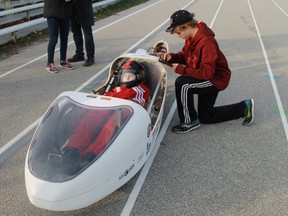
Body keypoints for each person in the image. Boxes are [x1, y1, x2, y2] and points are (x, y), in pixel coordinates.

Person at [158, 10, 255, 134]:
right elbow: (185, 55)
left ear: (186, 26)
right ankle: (244, 107)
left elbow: (207, 73)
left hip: (215, 79)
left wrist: (180, 69)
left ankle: (189, 121)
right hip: (205, 74)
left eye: (178, 32)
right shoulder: (191, 37)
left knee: (182, 84)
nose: (179, 36)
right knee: (206, 116)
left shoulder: (206, 42)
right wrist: (172, 57)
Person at [62, 60, 150, 165]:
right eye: (124, 76)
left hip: (126, 116)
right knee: (93, 115)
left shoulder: (141, 89)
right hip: (112, 108)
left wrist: (109, 95)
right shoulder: (118, 89)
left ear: (138, 77)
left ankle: (93, 153)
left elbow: (125, 94)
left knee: (114, 120)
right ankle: (74, 149)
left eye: (130, 76)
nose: (126, 79)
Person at [43, 0, 75, 73]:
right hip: (52, 11)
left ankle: (63, 61)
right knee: (53, 39)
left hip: (65, 12)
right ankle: (50, 63)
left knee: (64, 38)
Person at [68, 0, 95, 66]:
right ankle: (79, 54)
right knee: (76, 33)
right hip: (73, 8)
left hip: (84, 8)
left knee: (87, 34)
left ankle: (90, 57)